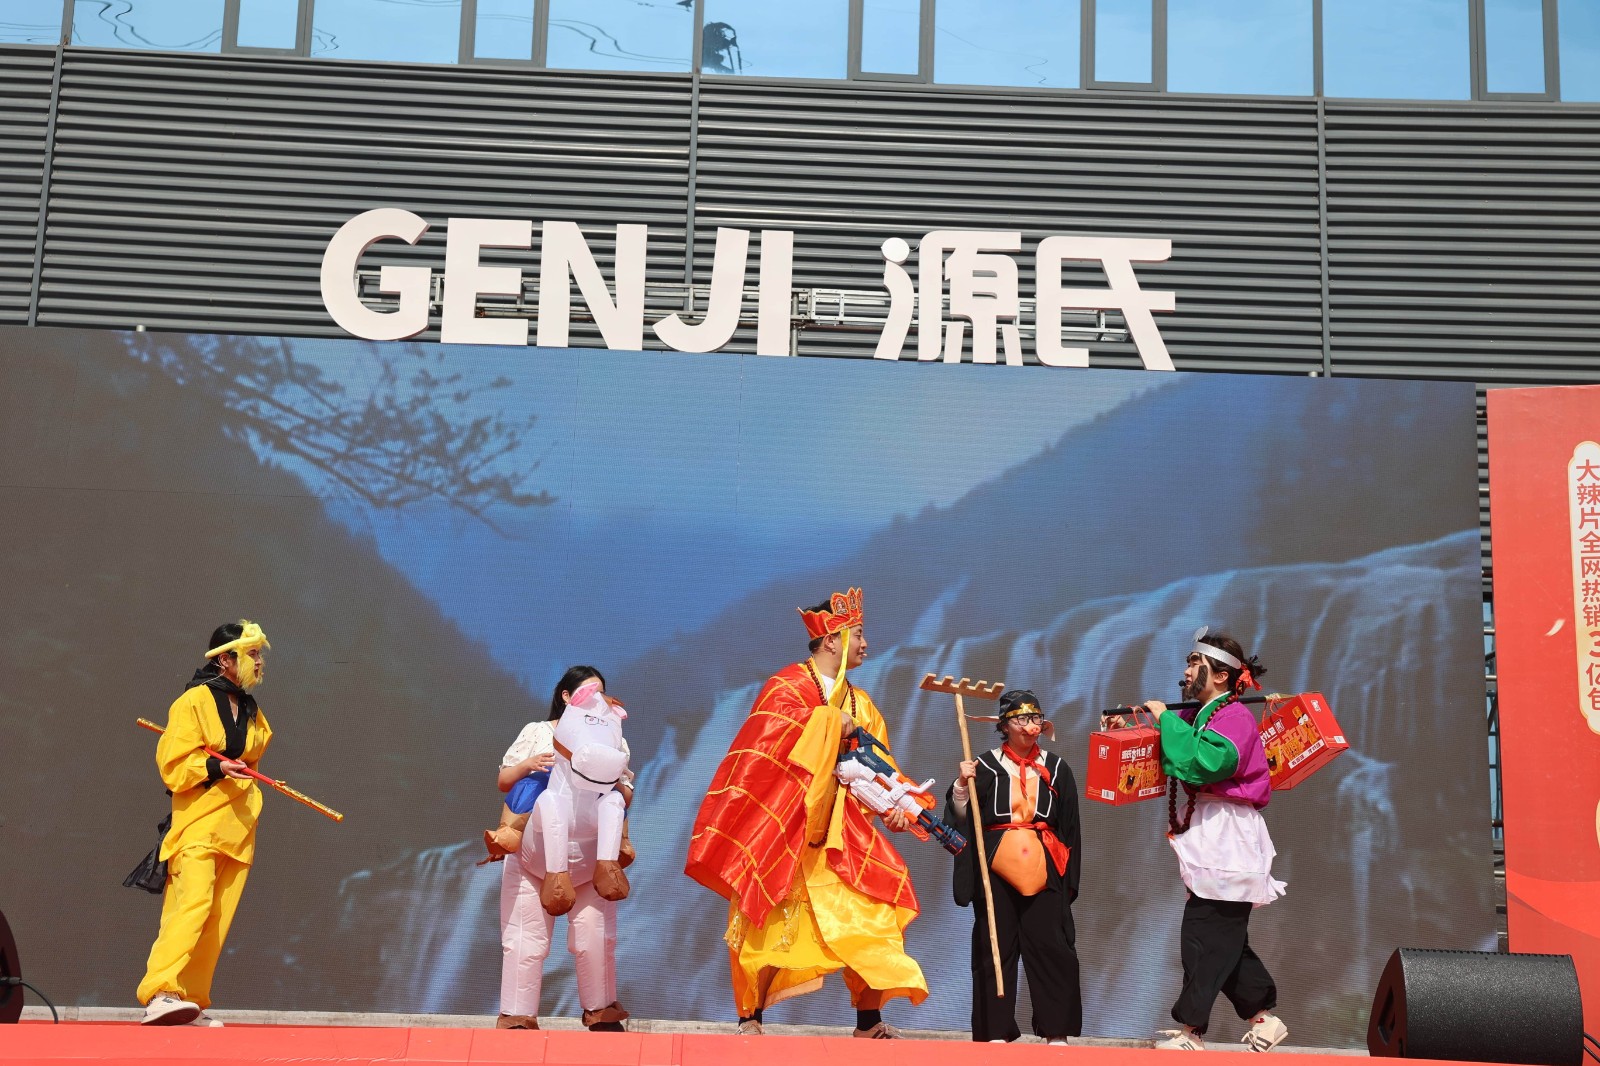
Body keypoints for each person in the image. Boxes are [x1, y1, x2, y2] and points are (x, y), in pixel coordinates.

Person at [685, 588, 927, 1038]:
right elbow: (765, 745)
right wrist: (831, 722)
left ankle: (869, 1022)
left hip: (843, 831)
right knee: (767, 921)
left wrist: (897, 807)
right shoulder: (786, 687)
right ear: (831, 640)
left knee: (877, 910)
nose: (866, 643)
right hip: (786, 824)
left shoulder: (862, 704)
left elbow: (881, 768)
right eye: (858, 634)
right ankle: (751, 1017)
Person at [1133, 628, 1288, 1053]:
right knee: (1222, 935)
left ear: (1220, 675)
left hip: (1229, 832)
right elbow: (1172, 744)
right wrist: (1135, 725)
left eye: (1193, 664)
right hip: (1215, 825)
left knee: (1205, 933)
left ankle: (1192, 1032)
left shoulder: (1234, 716)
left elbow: (1208, 761)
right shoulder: (1201, 714)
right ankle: (1264, 1019)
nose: (1185, 672)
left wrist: (1165, 719)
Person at [136, 620, 274, 1027]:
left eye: (258, 654)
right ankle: (160, 991)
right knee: (191, 905)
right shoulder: (193, 702)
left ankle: (190, 999)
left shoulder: (250, 709)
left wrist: (238, 769)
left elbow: (252, 758)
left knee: (216, 916)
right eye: (251, 654)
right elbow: (173, 766)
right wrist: (215, 766)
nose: (259, 661)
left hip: (237, 826)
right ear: (225, 659)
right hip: (198, 823)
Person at [494, 666, 633, 1032]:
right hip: (534, 855)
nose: (596, 701)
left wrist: (616, 784)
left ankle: (601, 1010)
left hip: (589, 858)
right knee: (525, 937)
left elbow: (625, 793)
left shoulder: (612, 734)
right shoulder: (539, 732)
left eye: (601, 694)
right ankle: (517, 1013)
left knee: (595, 936)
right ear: (567, 697)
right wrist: (530, 765)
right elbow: (504, 779)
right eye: (587, 693)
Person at [945, 688, 1082, 1044]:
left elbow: (1070, 827)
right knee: (995, 947)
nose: (1030, 725)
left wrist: (1068, 880)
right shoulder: (984, 766)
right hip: (996, 873)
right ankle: (995, 1032)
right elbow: (960, 819)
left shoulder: (1056, 768)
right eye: (1022, 718)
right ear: (1005, 725)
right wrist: (961, 786)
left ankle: (1056, 1032)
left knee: (1052, 948)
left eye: (1035, 717)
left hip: (1044, 868)